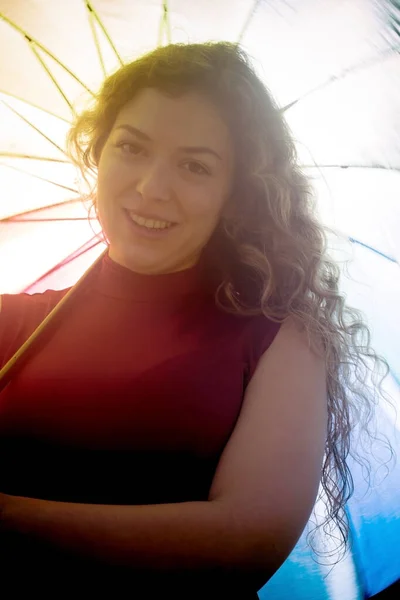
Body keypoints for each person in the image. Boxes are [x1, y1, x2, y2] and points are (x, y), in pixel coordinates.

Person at [0, 42, 392, 599]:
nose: (151, 189)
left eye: (194, 165)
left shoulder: (280, 338)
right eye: (131, 148)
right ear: (99, 151)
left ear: (235, 193)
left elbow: (245, 542)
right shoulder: (13, 321)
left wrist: (11, 516)